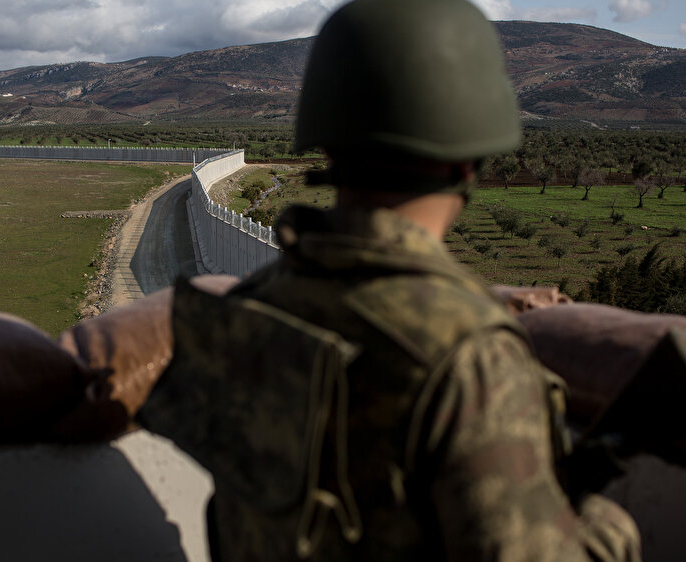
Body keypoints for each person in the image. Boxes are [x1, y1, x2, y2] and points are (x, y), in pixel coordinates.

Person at [137, 0, 641, 560]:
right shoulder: (470, 352)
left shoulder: (255, 302)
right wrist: (604, 522)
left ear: (326, 143)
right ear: (470, 158)